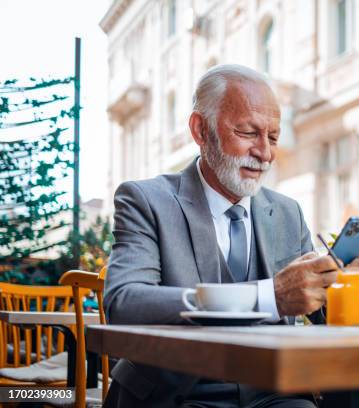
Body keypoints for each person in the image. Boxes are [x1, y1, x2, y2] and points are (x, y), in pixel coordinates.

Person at [103, 64, 339, 408]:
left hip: (273, 394)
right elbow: (124, 303)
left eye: (272, 137)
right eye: (247, 133)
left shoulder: (288, 212)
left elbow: (328, 315)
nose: (265, 153)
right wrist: (266, 296)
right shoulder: (145, 200)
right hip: (175, 395)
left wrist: (347, 285)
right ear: (201, 130)